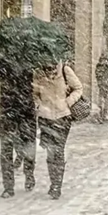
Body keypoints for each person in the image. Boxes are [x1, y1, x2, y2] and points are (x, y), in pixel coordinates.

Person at [32, 60, 83, 199]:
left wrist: (68, 102)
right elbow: (35, 93)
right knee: (50, 152)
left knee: (58, 150)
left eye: (52, 67)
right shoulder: (38, 73)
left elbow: (78, 88)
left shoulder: (65, 70)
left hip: (62, 117)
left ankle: (56, 186)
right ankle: (53, 181)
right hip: (46, 118)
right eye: (47, 68)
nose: (50, 71)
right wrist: (38, 105)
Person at [0, 55, 37, 198]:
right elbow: (0, 76)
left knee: (28, 144)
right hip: (8, 111)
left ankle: (29, 174)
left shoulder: (31, 58)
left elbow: (34, 81)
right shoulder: (1, 59)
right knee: (6, 149)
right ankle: (8, 186)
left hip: (25, 111)